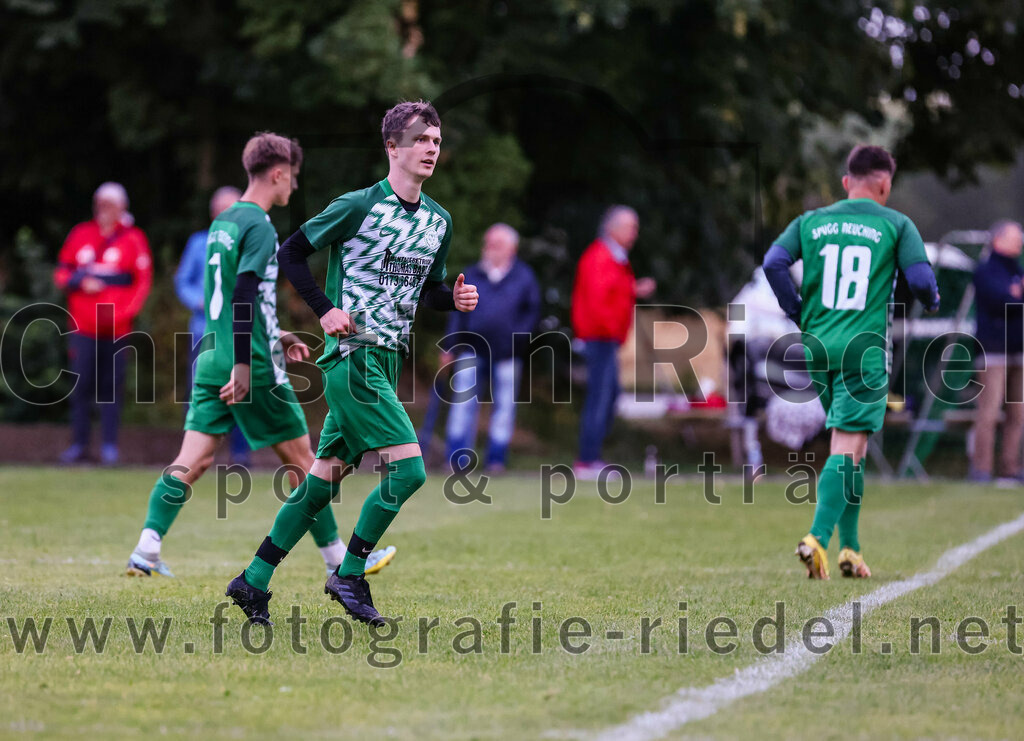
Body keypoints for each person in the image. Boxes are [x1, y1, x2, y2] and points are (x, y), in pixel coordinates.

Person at [225, 101, 478, 626]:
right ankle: (350, 572)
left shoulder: (439, 221)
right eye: (420, 139)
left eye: (436, 139)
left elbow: (428, 291)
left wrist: (451, 299)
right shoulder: (359, 205)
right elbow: (292, 252)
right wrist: (325, 310)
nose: (431, 147)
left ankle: (252, 580)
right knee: (408, 471)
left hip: (387, 359)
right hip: (353, 356)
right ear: (392, 147)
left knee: (320, 483)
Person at [125, 132, 395, 579]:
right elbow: (246, 292)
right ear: (277, 173)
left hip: (213, 355)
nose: (293, 187)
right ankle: (341, 561)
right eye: (292, 178)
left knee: (192, 460)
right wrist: (248, 364)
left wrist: (279, 332)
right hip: (248, 362)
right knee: (307, 463)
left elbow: (230, 297)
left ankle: (146, 548)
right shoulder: (258, 226)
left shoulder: (223, 222)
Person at [763, 144, 940, 580]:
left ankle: (851, 550)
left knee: (854, 449)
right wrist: (933, 297)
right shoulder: (896, 223)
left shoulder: (811, 221)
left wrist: (797, 311)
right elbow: (920, 280)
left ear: (846, 182)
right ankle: (817, 539)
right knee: (847, 444)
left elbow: (773, 263)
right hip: (864, 350)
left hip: (817, 345)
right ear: (885, 183)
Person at [54, 182, 153, 466]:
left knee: (112, 388)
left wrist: (122, 315)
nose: (103, 209)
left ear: (122, 207)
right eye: (100, 203)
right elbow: (62, 272)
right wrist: (80, 281)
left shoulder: (133, 239)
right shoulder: (81, 234)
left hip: (117, 330)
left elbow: (141, 284)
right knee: (81, 386)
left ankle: (110, 447)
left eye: (109, 204)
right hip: (82, 328)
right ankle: (79, 445)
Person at [441, 223, 540, 472]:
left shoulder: (524, 276)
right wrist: (449, 346)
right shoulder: (472, 273)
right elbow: (457, 313)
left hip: (508, 353)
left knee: (504, 408)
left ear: (511, 249)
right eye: (488, 243)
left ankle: (496, 459)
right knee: (462, 405)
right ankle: (456, 459)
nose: (490, 249)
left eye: (496, 244)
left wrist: (516, 341)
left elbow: (531, 314)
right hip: (471, 349)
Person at [570, 205, 655, 479]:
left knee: (608, 396)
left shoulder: (615, 258)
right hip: (599, 338)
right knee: (600, 398)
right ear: (612, 228)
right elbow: (597, 301)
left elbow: (613, 292)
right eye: (630, 227)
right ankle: (587, 460)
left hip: (607, 338)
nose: (635, 234)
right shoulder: (600, 257)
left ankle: (592, 456)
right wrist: (610, 330)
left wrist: (632, 289)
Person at [175, 185, 253, 466]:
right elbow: (183, 281)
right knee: (199, 390)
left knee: (240, 390)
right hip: (203, 330)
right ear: (214, 214)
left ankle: (241, 454)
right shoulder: (198, 243)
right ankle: (194, 454)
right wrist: (200, 301)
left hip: (237, 330)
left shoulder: (248, 242)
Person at [969, 220, 1024, 483]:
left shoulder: (1018, 270)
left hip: (1019, 351)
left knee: (1017, 413)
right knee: (989, 413)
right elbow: (1003, 301)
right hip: (992, 353)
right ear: (998, 240)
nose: (1020, 241)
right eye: (1015, 237)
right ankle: (981, 470)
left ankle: (1010, 468)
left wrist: (1015, 294)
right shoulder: (985, 270)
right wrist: (1013, 295)